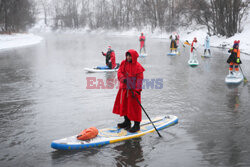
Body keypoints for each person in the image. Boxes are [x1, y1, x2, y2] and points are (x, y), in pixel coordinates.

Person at [112, 49, 145, 133]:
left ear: (133, 57)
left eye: (130, 56)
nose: (128, 57)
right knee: (124, 106)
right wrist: (123, 79)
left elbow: (140, 80)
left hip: (133, 91)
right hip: (124, 89)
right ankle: (127, 122)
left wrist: (137, 91)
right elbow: (119, 72)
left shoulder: (138, 67)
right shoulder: (123, 63)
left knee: (135, 108)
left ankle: (137, 125)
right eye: (127, 55)